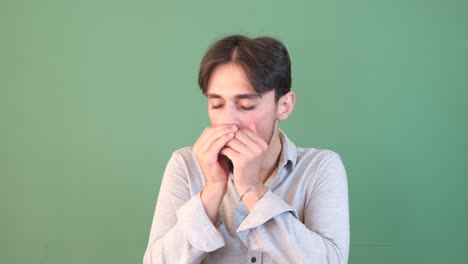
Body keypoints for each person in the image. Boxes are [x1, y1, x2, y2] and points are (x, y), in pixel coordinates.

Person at [143, 35, 350, 264]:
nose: (228, 120)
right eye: (216, 104)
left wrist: (252, 189)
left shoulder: (320, 167)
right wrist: (212, 191)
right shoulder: (185, 164)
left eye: (246, 105)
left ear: (284, 106)